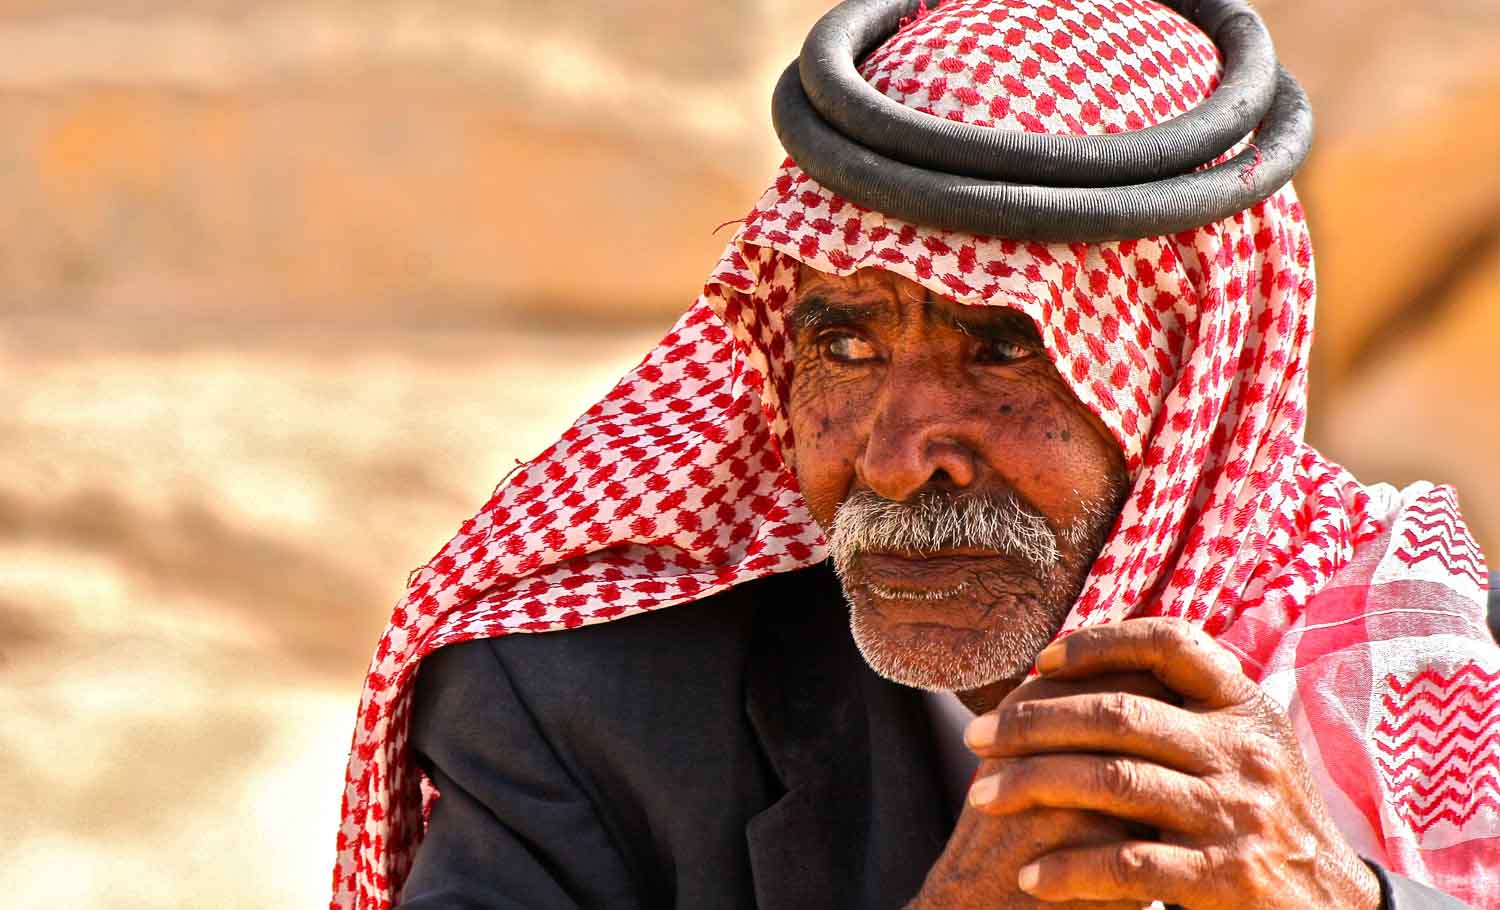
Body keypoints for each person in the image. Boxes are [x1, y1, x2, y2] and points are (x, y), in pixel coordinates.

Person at [329, 1, 1500, 908]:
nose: (893, 462)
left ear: (1181, 384)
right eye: (843, 340)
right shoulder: (582, 715)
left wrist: (1343, 894)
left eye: (1003, 350)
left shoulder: (1443, 659)